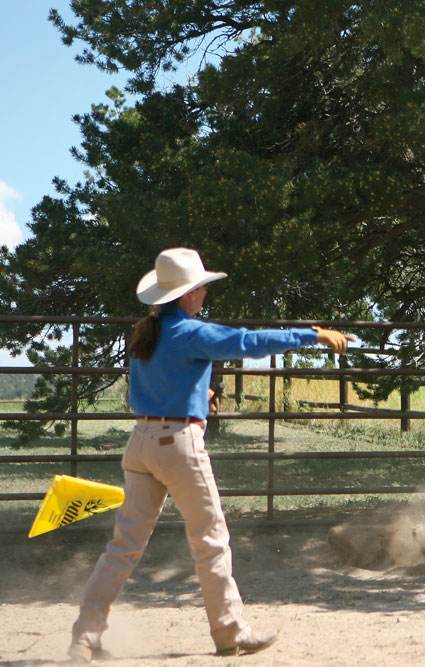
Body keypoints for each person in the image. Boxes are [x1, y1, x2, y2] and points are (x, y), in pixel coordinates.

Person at [68, 248, 351, 662]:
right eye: (200, 287)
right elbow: (247, 343)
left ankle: (84, 637)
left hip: (141, 444)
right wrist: (311, 335)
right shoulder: (191, 333)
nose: (203, 294)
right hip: (178, 445)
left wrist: (201, 394)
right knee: (211, 541)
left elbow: (156, 387)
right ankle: (230, 634)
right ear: (186, 295)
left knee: (123, 547)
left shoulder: (148, 335)